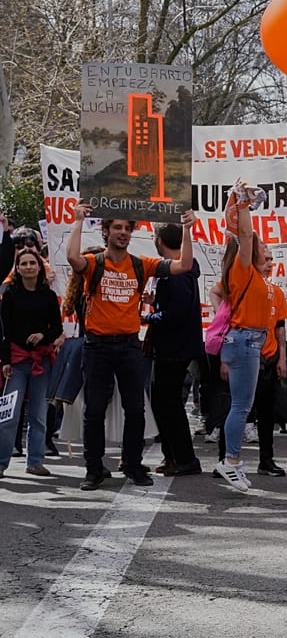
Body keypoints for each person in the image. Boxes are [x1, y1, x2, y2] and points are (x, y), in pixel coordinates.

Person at [66, 205, 196, 491]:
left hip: (128, 347)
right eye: (117, 228)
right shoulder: (94, 263)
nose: (123, 232)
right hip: (97, 347)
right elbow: (72, 258)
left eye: (127, 228)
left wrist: (187, 229)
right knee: (94, 411)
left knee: (135, 410)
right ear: (106, 231)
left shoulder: (141, 264)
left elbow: (184, 265)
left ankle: (134, 465)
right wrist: (78, 221)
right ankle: (94, 469)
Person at [211, 194, 273, 494]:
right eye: (261, 245)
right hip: (245, 340)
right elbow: (245, 233)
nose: (264, 248)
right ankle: (230, 460)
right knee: (241, 407)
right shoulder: (242, 266)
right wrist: (244, 205)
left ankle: (233, 460)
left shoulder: (250, 275)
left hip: (247, 341)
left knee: (241, 405)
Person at [143, 222, 202, 476]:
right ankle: (174, 456)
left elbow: (175, 313)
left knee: (167, 404)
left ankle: (183, 457)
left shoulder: (175, 272)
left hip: (173, 346)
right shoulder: (179, 269)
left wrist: (148, 318)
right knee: (163, 402)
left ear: (160, 241)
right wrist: (156, 303)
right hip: (175, 345)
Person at [0, 248, 62, 478]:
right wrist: (5, 361)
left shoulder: (47, 295)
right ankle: (1, 462)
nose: (28, 267)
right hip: (16, 361)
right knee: (9, 415)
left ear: (39, 267)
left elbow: (56, 326)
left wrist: (42, 336)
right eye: (23, 264)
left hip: (41, 361)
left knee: (38, 414)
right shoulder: (10, 295)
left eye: (31, 263)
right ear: (17, 268)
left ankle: (35, 461)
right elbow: (4, 331)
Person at [252, 253, 287, 477]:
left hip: (269, 359)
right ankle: (226, 459)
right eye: (264, 260)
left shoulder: (277, 292)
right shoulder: (243, 288)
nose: (270, 264)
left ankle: (266, 460)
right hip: (246, 359)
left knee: (266, 414)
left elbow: (280, 327)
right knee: (238, 411)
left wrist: (282, 358)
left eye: (271, 260)